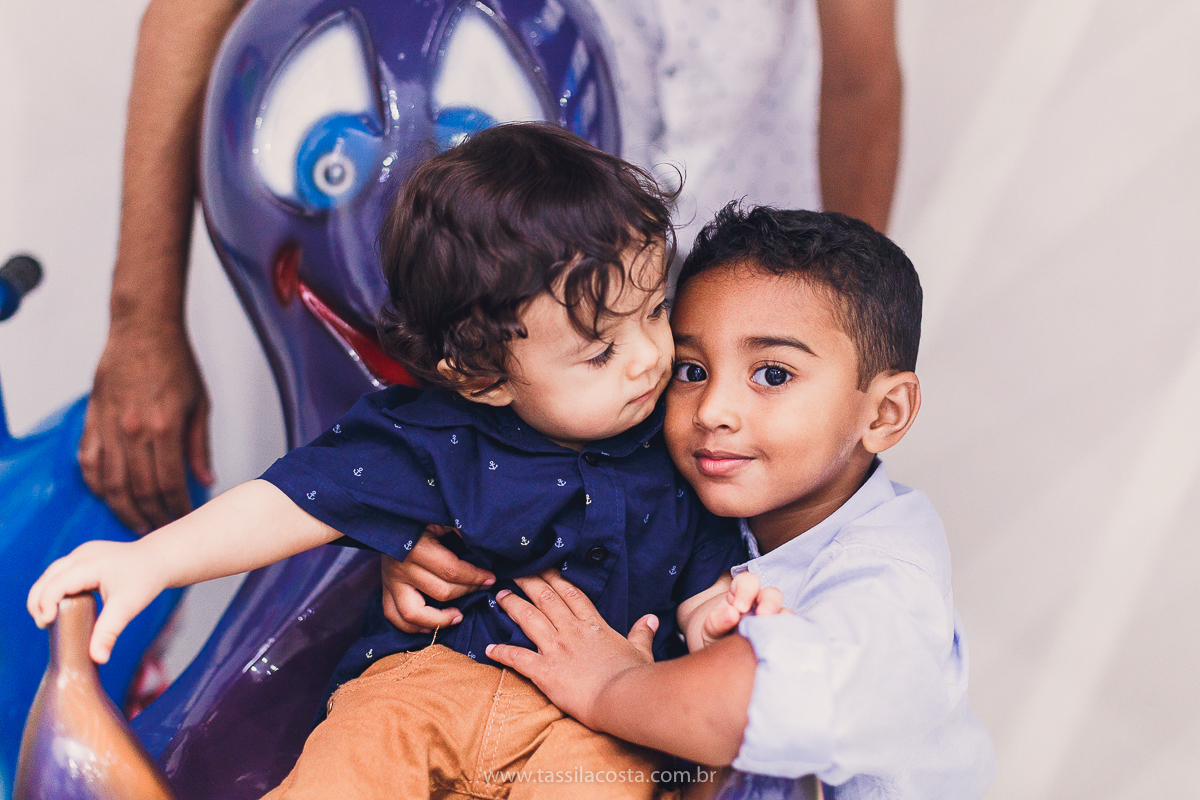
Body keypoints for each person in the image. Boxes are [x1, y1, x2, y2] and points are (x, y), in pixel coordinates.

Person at [30, 124, 784, 799]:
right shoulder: (434, 438)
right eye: (600, 351)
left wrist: (719, 615)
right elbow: (293, 501)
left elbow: (703, 575)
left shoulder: (681, 439)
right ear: (483, 376)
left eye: (655, 311)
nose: (650, 358)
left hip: (596, 724)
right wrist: (152, 561)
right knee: (355, 754)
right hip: (423, 687)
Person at [81, 0, 901, 537]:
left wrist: (839, 342)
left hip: (736, 296)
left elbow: (861, 82)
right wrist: (143, 318)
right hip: (494, 315)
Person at [391, 205, 997, 798]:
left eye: (774, 375)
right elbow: (524, 498)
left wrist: (612, 688)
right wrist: (420, 551)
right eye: (690, 369)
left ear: (884, 413)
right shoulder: (686, 486)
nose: (712, 412)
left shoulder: (889, 575)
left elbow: (768, 699)